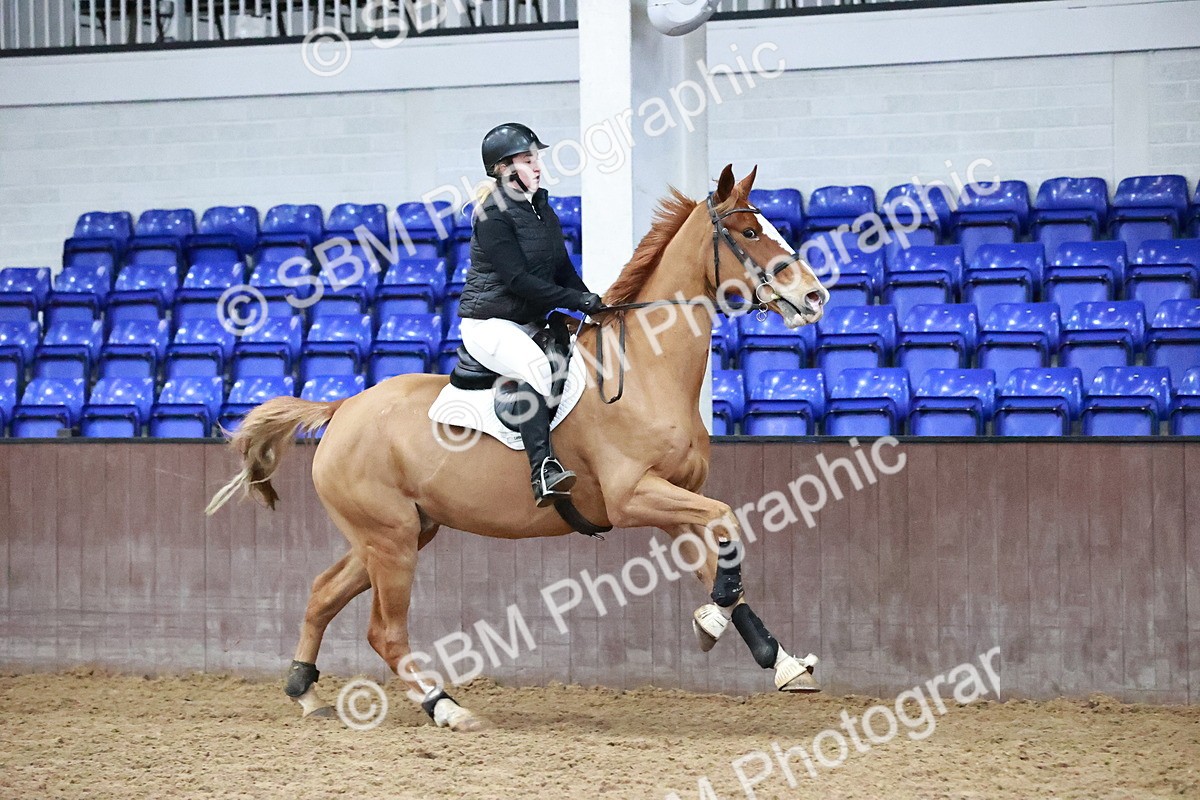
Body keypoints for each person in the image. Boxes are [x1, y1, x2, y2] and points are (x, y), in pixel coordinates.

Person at [457, 122, 604, 507]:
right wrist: (574, 299)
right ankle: (543, 470)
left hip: (528, 322)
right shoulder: (492, 216)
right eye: (528, 159)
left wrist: (591, 300)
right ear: (504, 168)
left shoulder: (542, 209)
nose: (538, 166)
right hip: (489, 324)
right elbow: (518, 281)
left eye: (536, 158)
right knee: (538, 372)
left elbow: (562, 268)